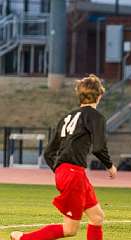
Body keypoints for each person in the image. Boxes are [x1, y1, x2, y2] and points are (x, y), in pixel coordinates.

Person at [10, 74, 117, 240]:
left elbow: (48, 153)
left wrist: (61, 171)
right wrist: (110, 166)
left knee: (97, 217)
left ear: (79, 95)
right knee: (70, 229)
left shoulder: (67, 118)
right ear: (100, 95)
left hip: (70, 173)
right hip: (74, 175)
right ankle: (23, 238)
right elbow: (99, 147)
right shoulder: (96, 117)